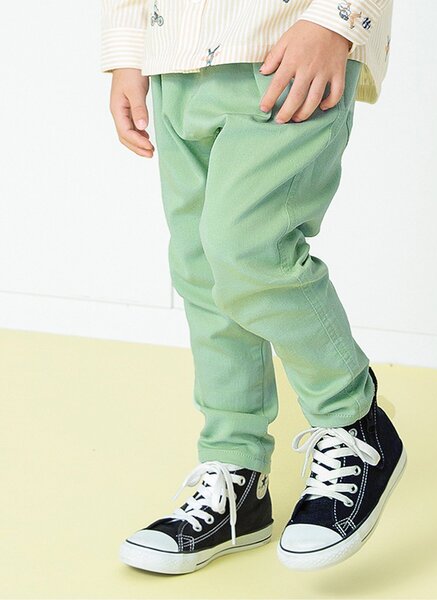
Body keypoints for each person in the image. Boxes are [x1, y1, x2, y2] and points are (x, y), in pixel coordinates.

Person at [101, 0, 407, 575]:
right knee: (202, 270)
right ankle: (236, 474)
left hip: (288, 46)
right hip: (174, 56)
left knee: (248, 251)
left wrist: (338, 20)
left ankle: (353, 417)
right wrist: (127, 49)